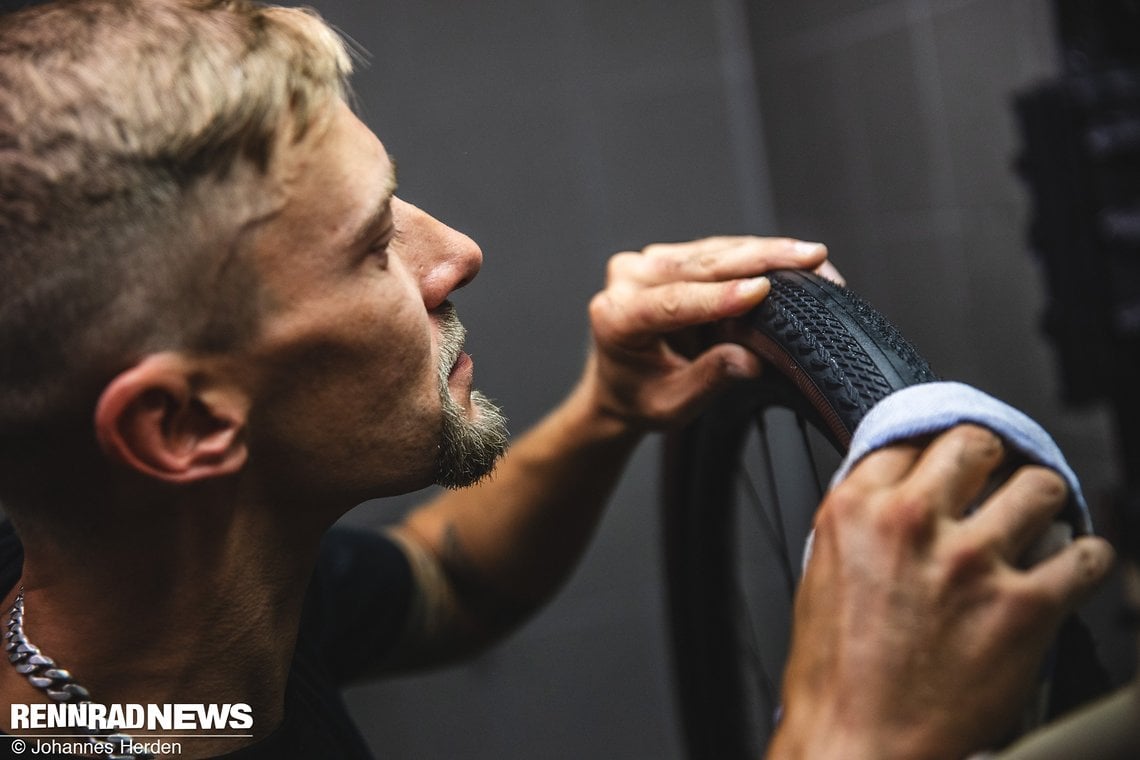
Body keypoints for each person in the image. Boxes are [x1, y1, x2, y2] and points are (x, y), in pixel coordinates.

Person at [0, 1, 1115, 758]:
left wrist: (610, 407)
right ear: (182, 422)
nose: (457, 254)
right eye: (373, 243)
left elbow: (451, 586)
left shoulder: (168, 632)